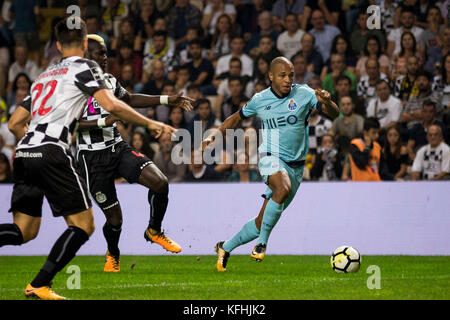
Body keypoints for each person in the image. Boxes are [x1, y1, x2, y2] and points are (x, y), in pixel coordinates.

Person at [1, 17, 175, 300]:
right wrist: (151, 124)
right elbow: (113, 103)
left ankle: (39, 285)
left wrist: (33, 144)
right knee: (84, 225)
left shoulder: (44, 76)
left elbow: (14, 124)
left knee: (23, 231)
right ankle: (39, 285)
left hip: (23, 153)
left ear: (57, 45)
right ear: (84, 44)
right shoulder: (85, 67)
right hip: (51, 151)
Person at [202, 56, 339, 271]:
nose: (287, 79)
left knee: (260, 221)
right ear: (271, 76)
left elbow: (334, 114)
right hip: (270, 156)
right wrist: (214, 136)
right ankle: (262, 244)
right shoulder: (260, 99)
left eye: (291, 75)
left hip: (297, 166)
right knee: (282, 188)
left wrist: (328, 102)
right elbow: (236, 118)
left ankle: (225, 247)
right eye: (283, 75)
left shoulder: (304, 93)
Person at [76, 35, 194, 272]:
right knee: (115, 221)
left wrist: (167, 100)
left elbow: (129, 99)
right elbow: (69, 122)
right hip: (92, 159)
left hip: (117, 148)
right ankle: (113, 254)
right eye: (100, 53)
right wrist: (103, 121)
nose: (105, 57)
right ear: (86, 55)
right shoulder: (73, 85)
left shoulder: (109, 81)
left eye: (106, 53)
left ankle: (154, 230)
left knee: (160, 183)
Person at [349, 117, 382, 182]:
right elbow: (362, 164)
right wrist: (367, 148)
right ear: (365, 132)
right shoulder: (355, 144)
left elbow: (381, 169)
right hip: (361, 186)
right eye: (374, 133)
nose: (377, 136)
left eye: (378, 132)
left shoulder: (377, 146)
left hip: (377, 184)